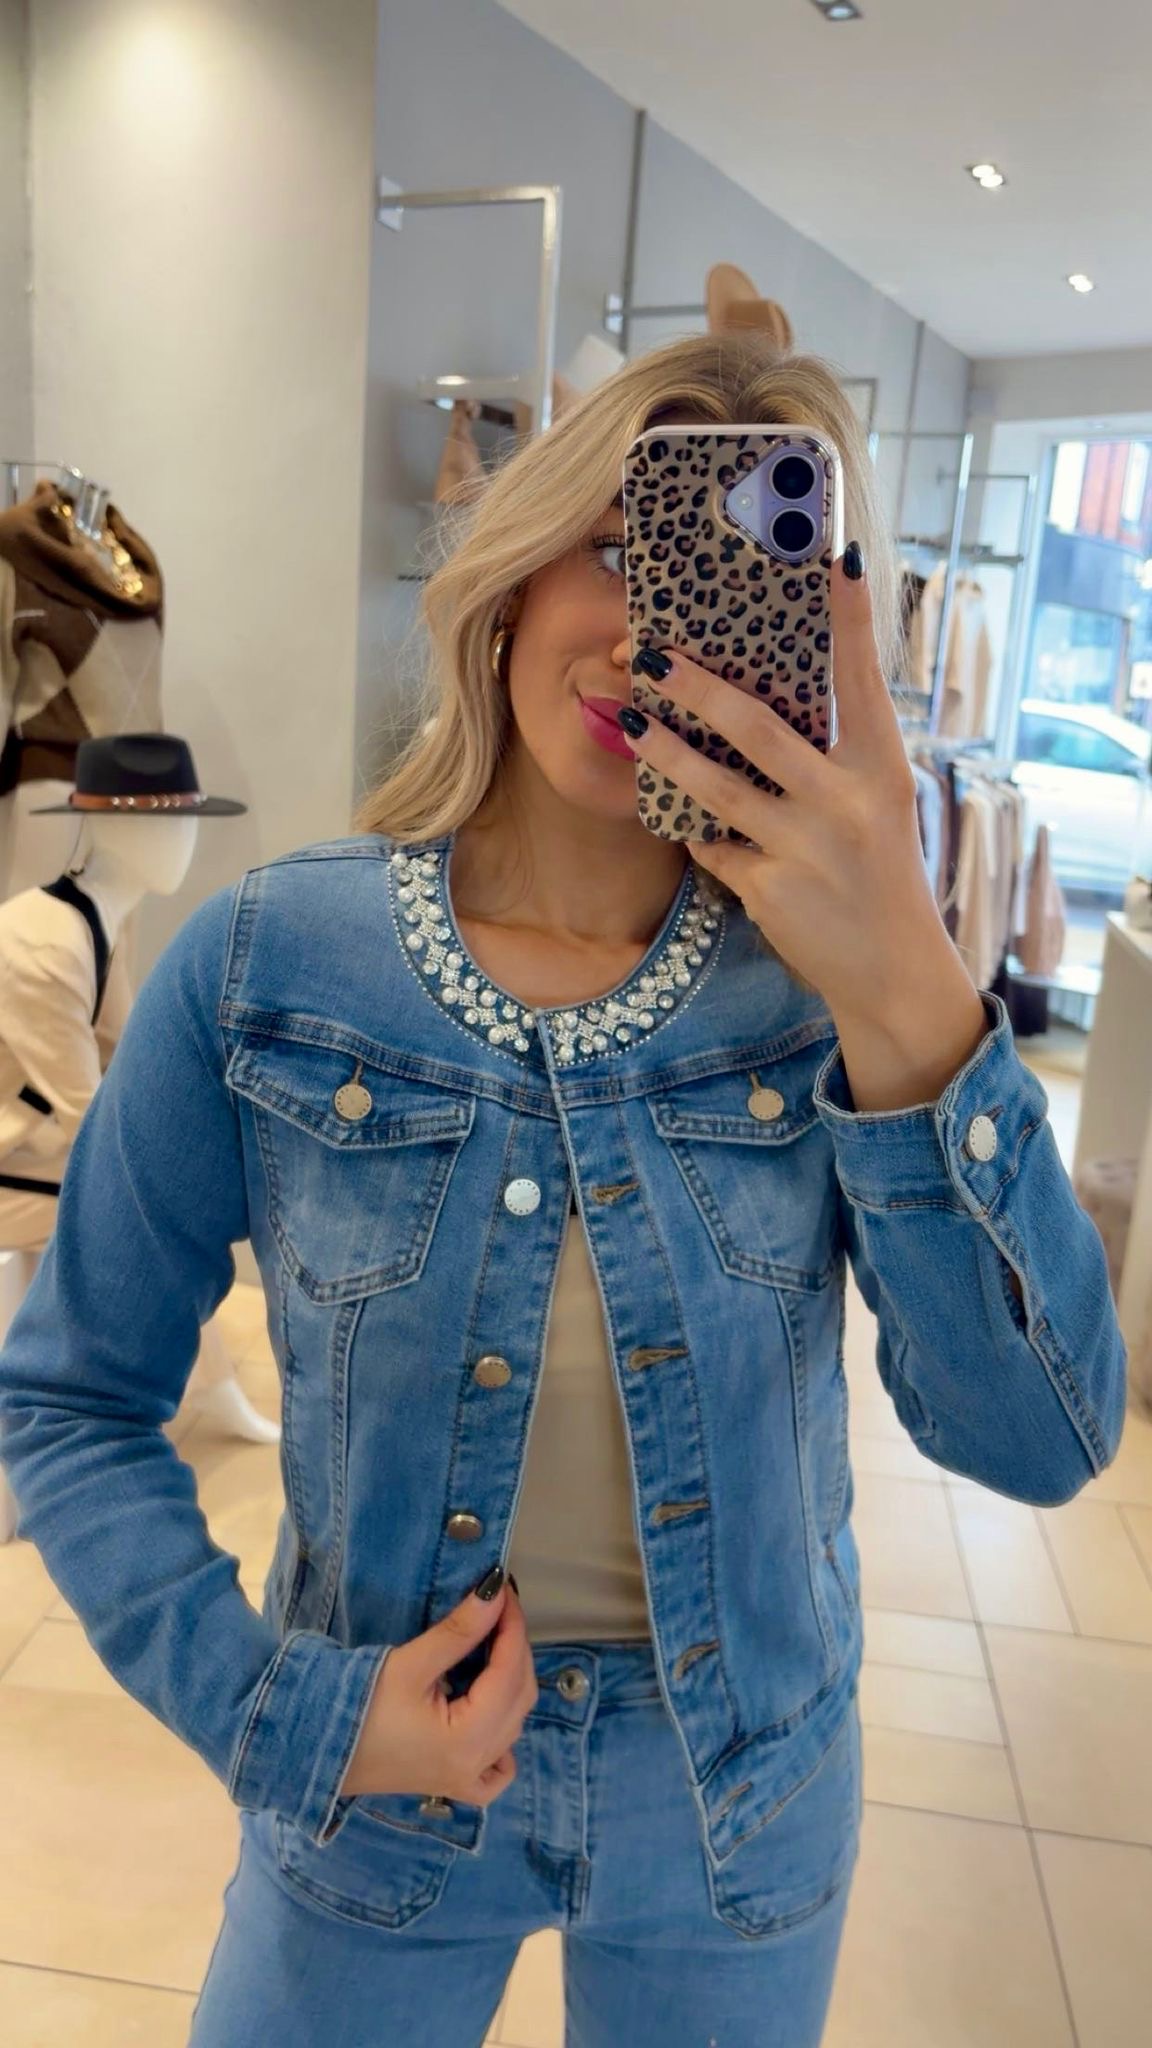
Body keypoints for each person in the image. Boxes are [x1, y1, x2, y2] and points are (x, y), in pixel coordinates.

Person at [0, 333, 1127, 2047]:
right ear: (513, 576)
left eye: (729, 574)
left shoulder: (829, 995)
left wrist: (905, 973)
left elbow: (1040, 1441)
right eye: (618, 543)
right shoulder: (266, 969)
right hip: (376, 1790)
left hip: (741, 1799)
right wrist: (283, 1716)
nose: (651, 626)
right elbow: (69, 1398)